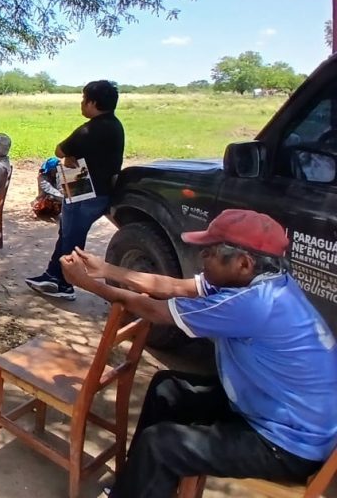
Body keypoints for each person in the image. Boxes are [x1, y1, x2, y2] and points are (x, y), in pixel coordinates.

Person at [59, 209, 337, 498]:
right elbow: (174, 287)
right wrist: (106, 270)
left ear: (243, 262)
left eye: (211, 251)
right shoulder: (263, 283)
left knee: (161, 444)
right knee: (167, 388)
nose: (202, 256)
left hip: (287, 444)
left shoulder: (253, 304)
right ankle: (139, 486)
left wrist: (87, 284)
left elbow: (154, 310)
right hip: (272, 409)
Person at [25, 80, 124, 300]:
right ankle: (53, 275)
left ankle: (65, 284)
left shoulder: (90, 129)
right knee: (67, 234)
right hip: (102, 191)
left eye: (83, 99)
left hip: (84, 190)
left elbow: (59, 150)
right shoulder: (115, 126)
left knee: (72, 239)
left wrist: (70, 157)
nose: (81, 104)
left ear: (93, 102)